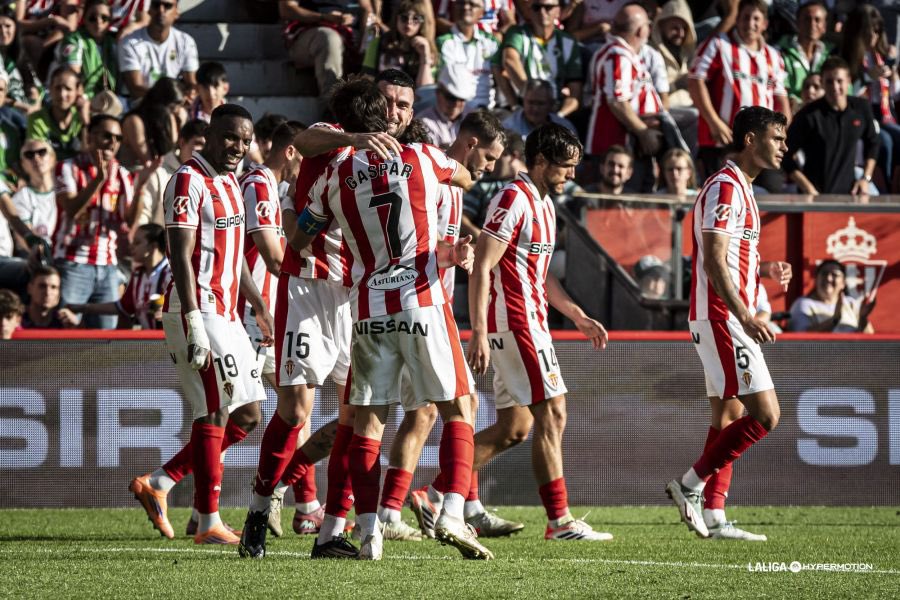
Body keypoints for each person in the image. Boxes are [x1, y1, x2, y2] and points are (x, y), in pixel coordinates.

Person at [287, 78, 491, 562]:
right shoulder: (422, 157)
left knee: (368, 426)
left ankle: (369, 535)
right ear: (384, 115)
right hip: (423, 301)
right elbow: (464, 177)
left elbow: (299, 239)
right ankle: (452, 514)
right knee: (458, 411)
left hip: (368, 310)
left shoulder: (334, 175)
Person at [129, 104, 273, 545]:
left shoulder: (231, 181)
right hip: (198, 309)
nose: (238, 147)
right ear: (209, 136)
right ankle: (208, 519)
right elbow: (180, 255)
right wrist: (192, 318)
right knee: (212, 408)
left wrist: (259, 303)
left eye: (245, 141)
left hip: (227, 313)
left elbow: (232, 259)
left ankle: (162, 481)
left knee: (247, 413)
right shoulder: (187, 180)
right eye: (231, 137)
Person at [464, 123, 612, 542]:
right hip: (515, 321)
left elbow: (541, 277)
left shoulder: (544, 204)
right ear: (541, 161)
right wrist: (477, 330)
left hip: (532, 321)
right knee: (555, 411)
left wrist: (577, 314)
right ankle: (560, 520)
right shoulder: (513, 198)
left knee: (515, 427)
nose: (571, 175)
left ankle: (440, 492)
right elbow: (483, 265)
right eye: (565, 166)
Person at [383, 110, 519, 541]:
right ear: (471, 144)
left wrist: (468, 241)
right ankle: (448, 503)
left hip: (422, 303)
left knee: (425, 411)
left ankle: (400, 509)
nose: (491, 167)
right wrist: (453, 253)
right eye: (491, 157)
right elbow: (416, 241)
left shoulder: (451, 182)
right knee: (461, 404)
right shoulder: (438, 177)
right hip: (422, 303)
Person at [666, 106, 793, 542]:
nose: (784, 147)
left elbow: (730, 261)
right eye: (777, 138)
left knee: (728, 416)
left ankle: (716, 514)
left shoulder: (742, 188)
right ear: (751, 140)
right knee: (767, 415)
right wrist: (745, 314)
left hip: (724, 313)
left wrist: (764, 269)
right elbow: (714, 258)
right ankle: (689, 486)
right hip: (722, 316)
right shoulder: (725, 187)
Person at [53, 114, 150, 329]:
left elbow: (129, 222)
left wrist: (141, 189)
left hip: (107, 265)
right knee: (63, 333)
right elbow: (71, 210)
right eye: (106, 135)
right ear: (89, 135)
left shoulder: (123, 174)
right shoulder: (67, 168)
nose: (112, 142)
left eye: (117, 138)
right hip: (72, 262)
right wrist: (99, 179)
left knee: (105, 338)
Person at [689, 0, 791, 181]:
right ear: (737, 19)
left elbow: (781, 98)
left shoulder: (774, 56)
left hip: (763, 146)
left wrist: (780, 135)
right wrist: (714, 122)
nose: (750, 23)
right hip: (722, 142)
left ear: (765, 24)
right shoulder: (718, 44)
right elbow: (696, 80)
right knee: (723, 192)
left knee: (765, 196)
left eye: (756, 19)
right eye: (745, 17)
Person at [784, 57, 880, 196]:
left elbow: (873, 143)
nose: (835, 87)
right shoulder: (808, 115)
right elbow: (785, 154)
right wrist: (807, 187)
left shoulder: (861, 108)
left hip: (850, 194)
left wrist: (865, 178)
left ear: (849, 81)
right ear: (822, 83)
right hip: (814, 197)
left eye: (839, 81)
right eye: (829, 81)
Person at [586, 4, 664, 163]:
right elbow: (617, 102)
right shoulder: (618, 56)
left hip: (628, 145)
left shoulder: (621, 53)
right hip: (618, 145)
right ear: (641, 30)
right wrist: (643, 132)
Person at [64, 222, 171, 329]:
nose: (131, 246)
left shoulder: (171, 274)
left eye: (137, 243)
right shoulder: (138, 274)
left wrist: (170, 310)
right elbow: (122, 307)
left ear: (153, 246)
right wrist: (82, 308)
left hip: (171, 341)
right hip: (150, 342)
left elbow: (185, 305)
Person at [840, 4, 900, 191]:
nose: (873, 37)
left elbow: (895, 94)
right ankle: (887, 187)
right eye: (867, 32)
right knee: (886, 141)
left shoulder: (880, 55)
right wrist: (867, 78)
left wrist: (893, 75)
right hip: (859, 116)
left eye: (877, 31)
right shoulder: (846, 57)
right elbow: (845, 93)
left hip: (884, 114)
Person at [499, 0, 583, 117]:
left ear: (559, 10)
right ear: (529, 10)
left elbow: (575, 92)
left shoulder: (568, 42)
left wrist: (558, 116)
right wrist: (532, 98)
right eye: (536, 7)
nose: (542, 12)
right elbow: (509, 60)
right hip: (524, 105)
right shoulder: (517, 33)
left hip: (555, 108)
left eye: (548, 7)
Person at [117, 0, 198, 99]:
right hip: (142, 106)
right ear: (149, 10)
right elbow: (135, 89)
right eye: (156, 5)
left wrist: (190, 95)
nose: (161, 10)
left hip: (176, 105)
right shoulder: (129, 42)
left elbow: (191, 83)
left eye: (167, 6)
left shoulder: (186, 42)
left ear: (176, 12)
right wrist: (171, 99)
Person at [436, 0, 500, 110]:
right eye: (461, 3)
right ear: (454, 8)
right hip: (456, 110)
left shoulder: (492, 42)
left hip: (490, 109)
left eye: (472, 4)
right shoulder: (443, 42)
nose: (466, 7)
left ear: (482, 12)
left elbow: (500, 78)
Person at [461, 128, 524, 240]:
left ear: (514, 156)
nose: (491, 166)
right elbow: (462, 219)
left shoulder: (532, 187)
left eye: (496, 158)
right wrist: (484, 241)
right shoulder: (483, 185)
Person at [362, 0, 437, 87]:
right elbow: (366, 78)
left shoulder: (427, 48)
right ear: (396, 18)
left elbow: (425, 91)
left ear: (422, 22)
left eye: (416, 18)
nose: (409, 22)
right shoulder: (379, 42)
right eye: (404, 18)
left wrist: (424, 56)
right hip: (382, 97)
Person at [53, 0, 119, 99]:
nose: (98, 22)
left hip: (109, 98)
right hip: (78, 97)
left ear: (110, 21)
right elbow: (73, 75)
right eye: (92, 18)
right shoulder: (74, 39)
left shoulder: (114, 41)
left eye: (104, 18)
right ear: (84, 19)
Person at [789, 259, 876, 333]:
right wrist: (835, 320)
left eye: (835, 275)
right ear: (815, 280)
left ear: (843, 283)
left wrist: (863, 318)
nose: (829, 278)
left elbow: (870, 340)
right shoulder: (803, 304)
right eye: (824, 274)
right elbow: (800, 339)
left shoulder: (851, 304)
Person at [776, 1, 832, 110]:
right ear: (797, 23)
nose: (812, 24)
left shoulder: (831, 54)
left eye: (817, 20)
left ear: (824, 26)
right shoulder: (780, 52)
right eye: (807, 19)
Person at [26, 66, 87, 161]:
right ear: (50, 89)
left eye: (68, 89)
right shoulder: (37, 119)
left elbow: (88, 156)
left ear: (77, 92)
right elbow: (37, 159)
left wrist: (85, 123)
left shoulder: (83, 117)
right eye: (58, 88)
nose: (62, 94)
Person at [10, 139, 57, 246]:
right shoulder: (20, 198)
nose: (36, 158)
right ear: (23, 164)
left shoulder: (67, 191)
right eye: (29, 155)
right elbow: (26, 240)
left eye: (42, 152)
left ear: (52, 158)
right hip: (40, 257)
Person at [417, 63, 474, 148]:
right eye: (451, 97)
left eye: (461, 99)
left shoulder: (472, 117)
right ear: (438, 93)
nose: (456, 104)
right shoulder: (422, 123)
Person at [501, 79, 577, 140]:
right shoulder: (508, 127)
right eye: (531, 102)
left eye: (541, 103)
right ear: (523, 101)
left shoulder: (565, 129)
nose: (535, 108)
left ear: (551, 104)